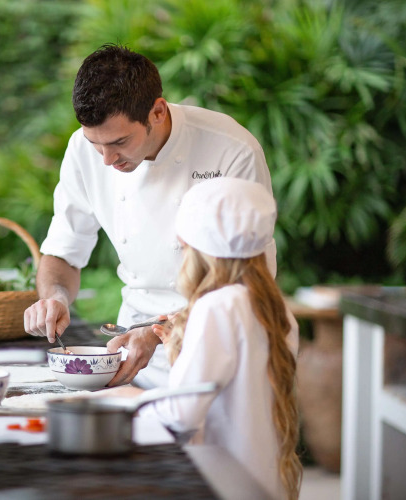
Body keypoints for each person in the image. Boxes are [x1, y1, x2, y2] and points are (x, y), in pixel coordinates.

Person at [23, 43, 276, 388]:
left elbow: (246, 281)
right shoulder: (82, 150)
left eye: (119, 142)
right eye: (96, 144)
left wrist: (159, 332)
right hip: (132, 349)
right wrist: (55, 297)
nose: (106, 160)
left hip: (221, 347)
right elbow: (64, 251)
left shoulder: (232, 150)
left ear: (157, 111)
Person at [102, 177, 302, 500]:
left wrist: (125, 398)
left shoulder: (217, 306)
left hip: (222, 483)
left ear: (192, 248)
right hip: (262, 482)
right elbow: (238, 393)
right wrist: (181, 350)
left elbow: (180, 416)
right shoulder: (276, 309)